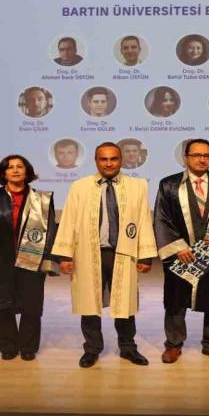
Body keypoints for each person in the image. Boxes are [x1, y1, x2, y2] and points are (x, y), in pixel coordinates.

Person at [52, 142, 157, 368]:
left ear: (121, 160)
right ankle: (92, 349)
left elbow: (143, 220)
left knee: (125, 305)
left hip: (124, 254)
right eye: (103, 159)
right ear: (96, 161)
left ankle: (128, 348)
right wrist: (65, 255)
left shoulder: (138, 186)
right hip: (88, 253)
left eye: (113, 159)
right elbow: (68, 220)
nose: (109, 163)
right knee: (89, 304)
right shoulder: (80, 186)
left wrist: (145, 255)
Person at [154, 139, 209, 364]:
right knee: (175, 300)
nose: (202, 159)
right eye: (196, 155)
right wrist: (177, 246)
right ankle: (173, 344)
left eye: (206, 155)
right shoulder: (169, 184)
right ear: (186, 158)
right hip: (181, 255)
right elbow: (162, 218)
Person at [0, 155, 58, 361]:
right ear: (3, 173)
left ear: (27, 171)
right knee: (3, 303)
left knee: (31, 304)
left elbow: (50, 230)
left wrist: (47, 259)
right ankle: (7, 346)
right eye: (10, 167)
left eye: (19, 166)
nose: (15, 170)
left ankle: (28, 346)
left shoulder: (41, 199)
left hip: (33, 258)